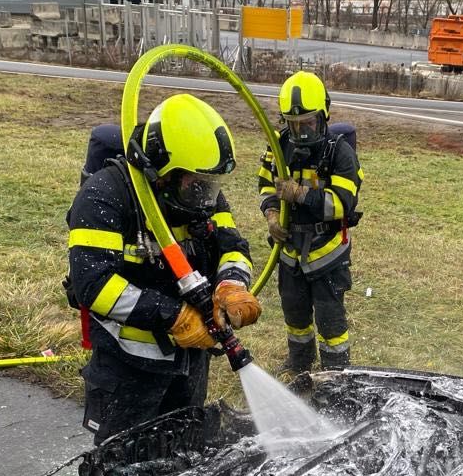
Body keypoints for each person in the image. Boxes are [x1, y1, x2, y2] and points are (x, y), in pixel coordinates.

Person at [67, 94, 261, 444]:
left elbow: (233, 245)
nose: (206, 198)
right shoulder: (104, 197)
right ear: (161, 174)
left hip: (189, 361)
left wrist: (232, 284)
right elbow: (93, 284)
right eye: (195, 183)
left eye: (210, 185)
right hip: (127, 368)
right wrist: (174, 317)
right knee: (120, 464)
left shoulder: (199, 192)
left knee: (183, 452)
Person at [257, 71, 363, 374]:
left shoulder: (339, 153)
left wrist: (302, 195)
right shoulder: (279, 146)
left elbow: (342, 203)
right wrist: (272, 213)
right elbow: (265, 183)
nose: (300, 132)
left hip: (327, 253)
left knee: (330, 320)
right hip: (290, 252)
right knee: (295, 314)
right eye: (293, 125)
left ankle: (335, 373)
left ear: (324, 115)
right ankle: (300, 364)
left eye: (308, 123)